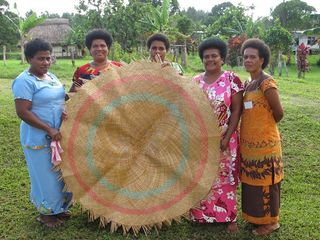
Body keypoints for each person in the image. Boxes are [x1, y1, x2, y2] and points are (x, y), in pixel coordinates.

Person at [12, 38, 72, 228]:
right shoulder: (24, 81)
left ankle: (59, 209)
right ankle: (46, 214)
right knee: (45, 175)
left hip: (58, 135)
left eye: (48, 58)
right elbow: (23, 111)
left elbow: (59, 99)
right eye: (41, 59)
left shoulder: (51, 77)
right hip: (38, 137)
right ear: (29, 58)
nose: (46, 62)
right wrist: (48, 128)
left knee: (60, 174)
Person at [190, 38, 244, 233]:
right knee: (202, 176)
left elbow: (237, 111)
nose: (210, 59)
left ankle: (230, 217)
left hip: (224, 141)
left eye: (214, 56)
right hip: (201, 141)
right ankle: (200, 215)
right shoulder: (194, 82)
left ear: (222, 58)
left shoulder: (232, 79)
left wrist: (227, 137)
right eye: (206, 56)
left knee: (226, 177)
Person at [240, 38, 284, 236]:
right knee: (253, 183)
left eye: (252, 57)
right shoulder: (249, 84)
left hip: (266, 146)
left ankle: (271, 222)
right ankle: (256, 218)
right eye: (245, 56)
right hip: (249, 146)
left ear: (262, 60)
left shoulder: (267, 83)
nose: (248, 60)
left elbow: (279, 112)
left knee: (267, 183)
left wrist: (264, 130)